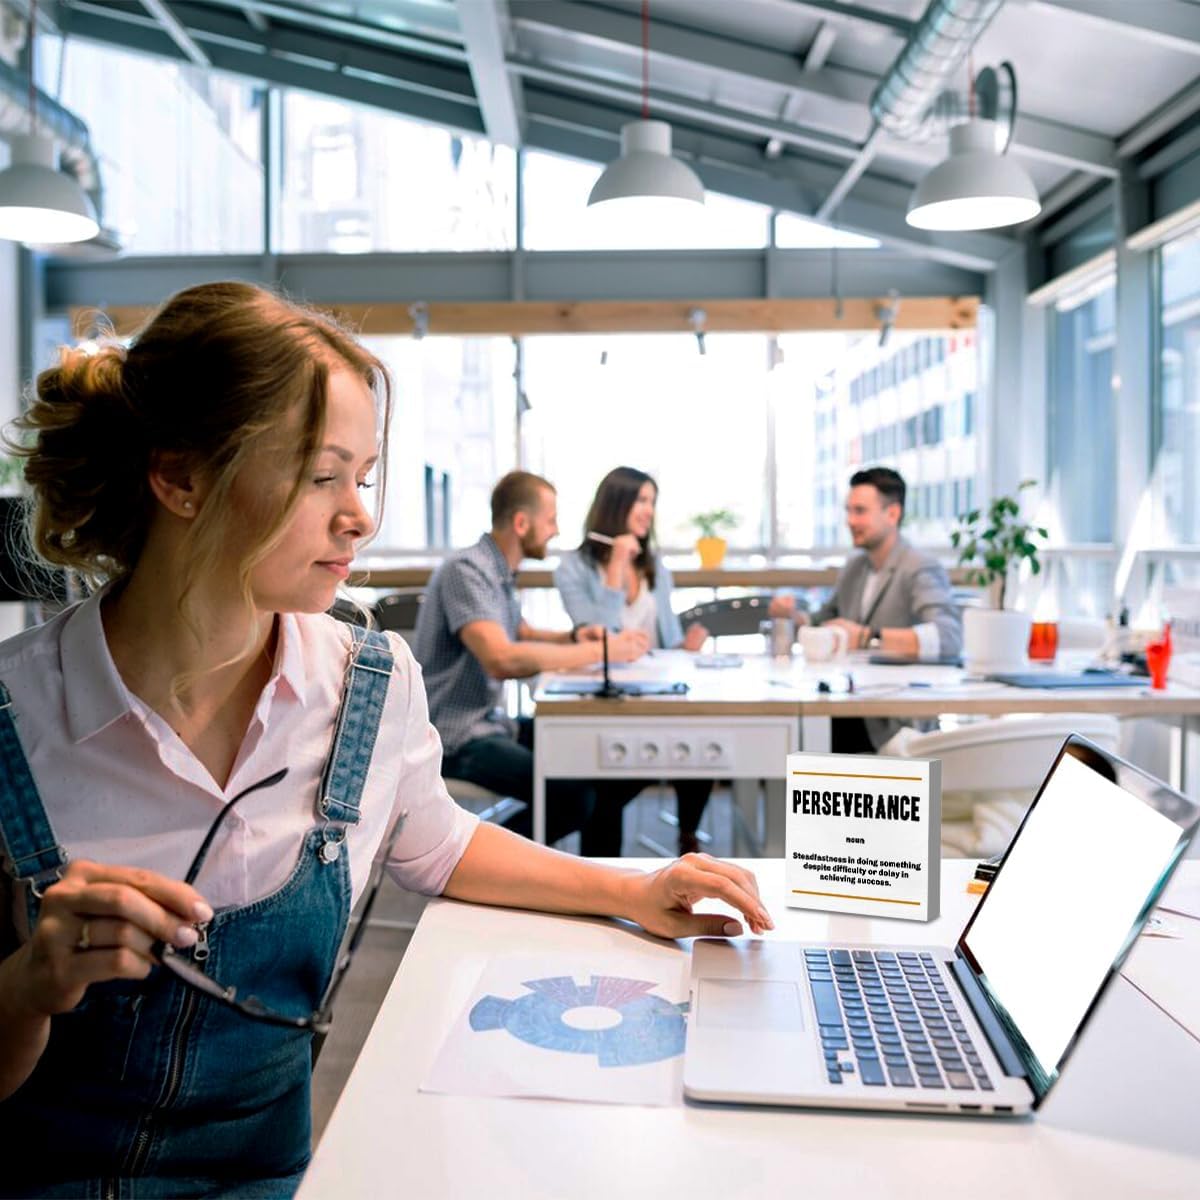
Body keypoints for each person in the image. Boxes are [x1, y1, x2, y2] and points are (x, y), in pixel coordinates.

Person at [0, 282, 773, 1200]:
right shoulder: (15, 714)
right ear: (180, 478)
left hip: (271, 1181)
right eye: (320, 475)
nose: (360, 515)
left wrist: (635, 889)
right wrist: (28, 985)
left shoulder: (368, 681)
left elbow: (438, 842)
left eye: (361, 478)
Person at [414, 471, 650, 855]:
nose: (555, 531)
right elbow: (501, 658)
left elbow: (519, 631)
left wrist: (576, 637)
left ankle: (603, 885)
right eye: (551, 520)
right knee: (572, 798)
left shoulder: (496, 571)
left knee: (601, 762)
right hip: (455, 736)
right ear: (522, 523)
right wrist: (603, 652)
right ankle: (472, 863)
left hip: (490, 723)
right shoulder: (468, 570)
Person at [555, 467, 713, 855]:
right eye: (642, 500)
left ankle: (687, 837)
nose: (648, 511)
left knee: (704, 736)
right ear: (617, 504)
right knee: (609, 783)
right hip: (605, 697)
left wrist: (687, 648)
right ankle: (603, 877)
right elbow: (596, 635)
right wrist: (615, 569)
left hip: (653, 692)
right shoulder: (572, 569)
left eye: (652, 502)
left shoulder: (656, 568)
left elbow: (668, 640)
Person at [770, 466, 962, 754]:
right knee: (789, 731)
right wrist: (791, 616)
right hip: (851, 703)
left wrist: (868, 637)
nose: (850, 520)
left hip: (894, 720)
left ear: (892, 514)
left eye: (860, 511)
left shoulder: (919, 566)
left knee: (800, 741)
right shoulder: (855, 567)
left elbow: (948, 638)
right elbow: (822, 621)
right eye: (848, 511)